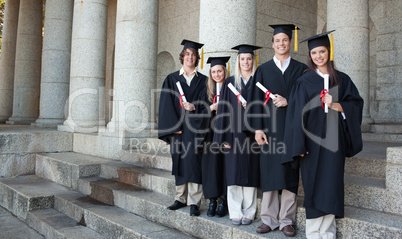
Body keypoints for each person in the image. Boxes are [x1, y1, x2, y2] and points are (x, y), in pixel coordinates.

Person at [282, 31, 363, 238]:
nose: (319, 56)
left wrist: (336, 105)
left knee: (331, 185)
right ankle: (313, 232)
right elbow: (295, 116)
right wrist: (298, 145)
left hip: (334, 143)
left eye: (322, 51)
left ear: (329, 52)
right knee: (312, 185)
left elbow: (356, 105)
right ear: (310, 55)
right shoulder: (304, 81)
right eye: (315, 53)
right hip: (311, 144)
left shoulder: (342, 80)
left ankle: (327, 232)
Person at [244, 24, 308, 237]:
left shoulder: (300, 69)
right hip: (269, 130)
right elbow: (254, 101)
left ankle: (287, 220)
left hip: (292, 129)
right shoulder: (263, 70)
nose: (281, 43)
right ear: (272, 44)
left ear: (291, 43)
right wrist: (257, 129)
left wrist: (289, 101)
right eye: (277, 40)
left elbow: (307, 98)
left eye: (285, 40)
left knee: (290, 172)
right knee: (271, 172)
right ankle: (269, 219)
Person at [158, 39, 207, 217]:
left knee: (194, 163)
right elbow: (166, 104)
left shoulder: (203, 81)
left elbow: (207, 104)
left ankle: (194, 201)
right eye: (187, 54)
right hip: (179, 130)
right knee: (179, 161)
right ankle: (180, 198)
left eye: (193, 55)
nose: (190, 57)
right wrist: (172, 127)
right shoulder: (172, 79)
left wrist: (195, 107)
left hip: (196, 129)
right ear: (182, 57)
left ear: (197, 58)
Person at [213, 44, 261, 225]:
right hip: (233, 134)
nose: (246, 62)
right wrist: (222, 137)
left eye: (249, 58)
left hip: (251, 135)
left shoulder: (258, 81)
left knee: (250, 172)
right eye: (242, 59)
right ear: (238, 61)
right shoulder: (230, 83)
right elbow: (223, 110)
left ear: (253, 60)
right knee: (233, 174)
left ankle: (248, 211)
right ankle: (235, 211)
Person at [197, 56, 230, 217]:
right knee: (211, 169)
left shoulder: (231, 89)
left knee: (224, 168)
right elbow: (198, 115)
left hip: (226, 135)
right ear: (211, 74)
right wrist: (211, 108)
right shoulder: (206, 92)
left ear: (225, 71)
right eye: (214, 72)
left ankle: (224, 201)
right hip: (209, 136)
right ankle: (212, 201)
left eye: (220, 71)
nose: (217, 74)